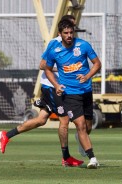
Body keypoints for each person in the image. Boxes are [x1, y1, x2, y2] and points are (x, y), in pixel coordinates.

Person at [0, 15, 85, 167]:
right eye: (70, 27)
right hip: (52, 87)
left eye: (73, 29)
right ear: (62, 29)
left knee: (41, 120)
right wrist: (65, 69)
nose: (72, 32)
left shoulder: (74, 46)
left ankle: (7, 135)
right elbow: (42, 65)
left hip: (58, 87)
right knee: (64, 120)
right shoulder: (55, 43)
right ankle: (66, 158)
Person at [45, 19, 101, 169]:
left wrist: (87, 76)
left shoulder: (83, 45)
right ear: (60, 34)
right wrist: (56, 85)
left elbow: (97, 63)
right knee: (80, 124)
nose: (69, 35)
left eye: (71, 32)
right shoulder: (54, 50)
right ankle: (93, 158)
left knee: (87, 127)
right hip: (69, 94)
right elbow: (46, 69)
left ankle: (81, 139)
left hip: (86, 92)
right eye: (66, 33)